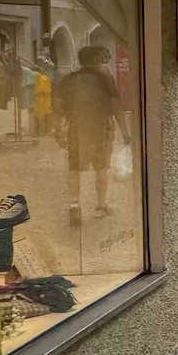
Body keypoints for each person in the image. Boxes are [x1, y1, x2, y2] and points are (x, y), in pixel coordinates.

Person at [57, 45, 127, 224]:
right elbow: (115, 107)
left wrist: (59, 128)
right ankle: (100, 206)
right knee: (101, 168)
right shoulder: (105, 79)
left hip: (77, 128)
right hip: (101, 129)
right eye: (102, 58)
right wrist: (125, 132)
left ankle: (74, 205)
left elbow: (58, 105)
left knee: (74, 168)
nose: (104, 62)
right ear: (95, 60)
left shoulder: (69, 79)